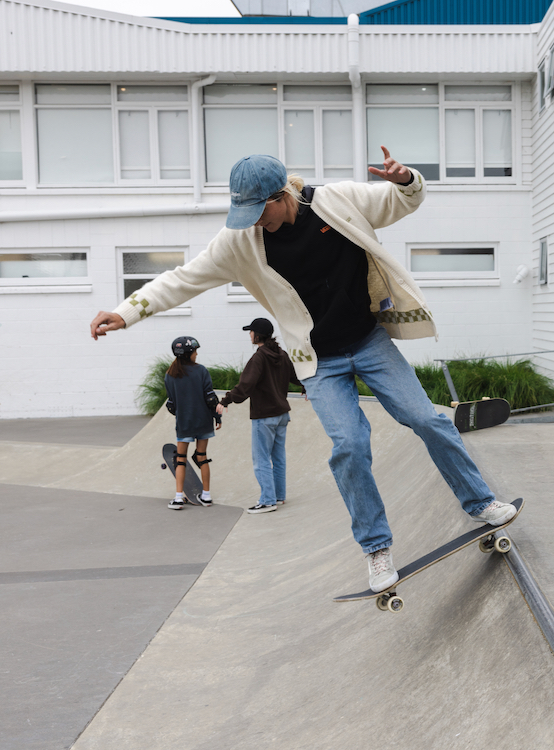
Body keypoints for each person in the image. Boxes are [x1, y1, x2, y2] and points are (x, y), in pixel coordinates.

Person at [90, 146, 518, 592]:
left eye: (261, 211)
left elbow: (401, 201)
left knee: (427, 418)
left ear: (282, 196)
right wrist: (127, 312)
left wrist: (406, 178)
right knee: (349, 445)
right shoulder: (239, 242)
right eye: (247, 214)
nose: (256, 221)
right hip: (318, 360)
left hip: (369, 341)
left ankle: (481, 501)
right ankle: (376, 548)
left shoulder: (337, 200)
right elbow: (184, 278)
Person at [217, 318, 302, 514]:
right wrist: (306, 387)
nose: (249, 335)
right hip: (282, 415)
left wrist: (225, 401)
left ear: (257, 335)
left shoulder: (259, 358)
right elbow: (295, 376)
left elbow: (245, 386)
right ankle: (279, 496)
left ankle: (267, 501)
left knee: (261, 459)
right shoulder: (281, 354)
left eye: (251, 332)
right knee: (278, 457)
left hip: (264, 417)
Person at [164, 336, 222, 510]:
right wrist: (216, 417)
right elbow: (211, 398)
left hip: (185, 423)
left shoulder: (170, 375)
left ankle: (179, 498)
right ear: (188, 354)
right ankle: (206, 496)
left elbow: (171, 404)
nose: (197, 354)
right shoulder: (202, 371)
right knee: (202, 457)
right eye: (195, 351)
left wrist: (180, 413)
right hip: (203, 421)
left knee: (180, 459)